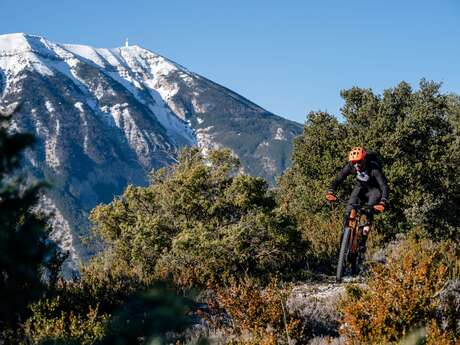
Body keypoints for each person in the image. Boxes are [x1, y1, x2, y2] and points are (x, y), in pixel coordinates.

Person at [325, 147, 388, 253]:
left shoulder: (374, 168)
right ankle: (345, 239)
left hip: (374, 190)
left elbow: (383, 186)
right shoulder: (351, 166)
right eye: (354, 162)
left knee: (368, 212)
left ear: (364, 159)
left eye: (359, 161)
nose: (356, 165)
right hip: (360, 188)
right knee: (348, 211)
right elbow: (339, 178)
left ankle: (363, 241)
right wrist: (331, 191)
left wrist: (383, 201)